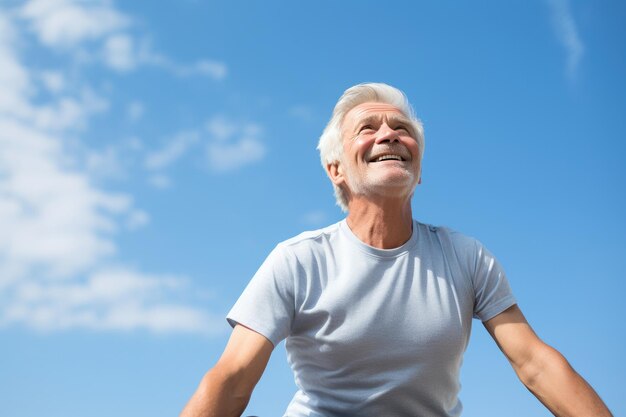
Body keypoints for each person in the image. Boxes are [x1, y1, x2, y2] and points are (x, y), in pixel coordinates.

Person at [180, 83, 612, 417]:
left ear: (417, 169)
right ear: (336, 170)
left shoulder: (465, 256)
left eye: (402, 130)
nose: (389, 134)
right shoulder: (297, 260)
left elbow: (535, 362)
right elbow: (233, 377)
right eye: (368, 129)